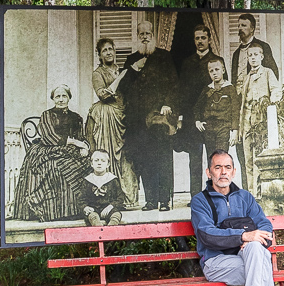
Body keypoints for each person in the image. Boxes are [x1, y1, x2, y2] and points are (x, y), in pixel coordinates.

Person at [190, 150, 284, 286]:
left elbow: (264, 225)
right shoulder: (200, 201)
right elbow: (206, 235)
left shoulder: (245, 197)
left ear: (233, 172)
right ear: (209, 172)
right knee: (263, 268)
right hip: (216, 263)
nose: (223, 172)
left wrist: (254, 240)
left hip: (246, 259)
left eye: (227, 167)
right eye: (218, 167)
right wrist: (242, 236)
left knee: (256, 250)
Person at [118, 20, 179, 211]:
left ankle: (164, 201)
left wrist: (168, 103)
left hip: (159, 119)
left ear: (153, 36)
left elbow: (174, 84)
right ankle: (151, 200)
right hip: (138, 121)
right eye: (141, 34)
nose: (145, 37)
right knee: (144, 161)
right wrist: (134, 69)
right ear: (138, 36)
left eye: (148, 33)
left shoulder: (164, 57)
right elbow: (123, 88)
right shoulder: (131, 60)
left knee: (162, 159)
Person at [11, 85, 90, 221]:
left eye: (64, 96)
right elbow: (48, 137)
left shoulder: (76, 117)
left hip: (71, 150)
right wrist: (76, 143)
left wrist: (85, 147)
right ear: (53, 99)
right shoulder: (46, 115)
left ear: (69, 98)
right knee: (56, 166)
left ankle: (78, 209)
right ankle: (55, 212)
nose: (61, 99)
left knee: (88, 163)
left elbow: (81, 137)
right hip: (48, 149)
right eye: (57, 96)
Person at [85, 37, 137, 205]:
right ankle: (110, 198)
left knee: (125, 157)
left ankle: (127, 198)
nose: (108, 52)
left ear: (115, 51)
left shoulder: (121, 70)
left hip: (122, 115)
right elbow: (103, 95)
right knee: (109, 154)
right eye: (104, 50)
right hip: (107, 115)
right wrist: (120, 80)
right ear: (100, 55)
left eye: (110, 49)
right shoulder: (98, 73)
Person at [178, 25, 226, 195]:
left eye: (203, 38)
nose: (200, 41)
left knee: (213, 158)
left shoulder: (216, 61)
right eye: (197, 38)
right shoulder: (187, 63)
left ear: (209, 40)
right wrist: (182, 117)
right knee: (195, 159)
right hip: (194, 119)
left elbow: (223, 90)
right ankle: (195, 196)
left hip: (213, 119)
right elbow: (182, 92)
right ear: (194, 40)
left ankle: (213, 193)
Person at [238, 43, 283, 192]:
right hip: (246, 123)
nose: (253, 58)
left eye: (256, 55)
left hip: (261, 122)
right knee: (248, 160)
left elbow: (276, 91)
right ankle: (251, 193)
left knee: (260, 158)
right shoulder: (247, 78)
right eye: (250, 55)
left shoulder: (268, 73)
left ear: (262, 57)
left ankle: (261, 193)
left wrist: (271, 105)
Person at [194, 55, 240, 159]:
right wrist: (197, 121)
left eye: (217, 69)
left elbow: (235, 110)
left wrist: (235, 130)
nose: (214, 73)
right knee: (211, 158)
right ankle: (211, 176)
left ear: (223, 70)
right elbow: (197, 107)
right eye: (211, 71)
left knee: (221, 156)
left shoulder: (230, 88)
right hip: (209, 128)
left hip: (223, 127)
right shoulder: (207, 89)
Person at [230, 12, 279, 91]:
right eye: (238, 26)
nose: (240, 28)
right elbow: (233, 79)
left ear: (252, 29)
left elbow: (274, 73)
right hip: (238, 95)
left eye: (243, 25)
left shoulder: (263, 47)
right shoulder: (236, 53)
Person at [81, 147, 127, 226]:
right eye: (96, 160)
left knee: (116, 214)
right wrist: (85, 207)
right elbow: (81, 199)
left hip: (109, 209)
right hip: (93, 209)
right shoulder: (87, 180)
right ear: (92, 164)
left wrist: (111, 206)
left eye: (103, 161)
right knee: (92, 216)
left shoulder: (112, 180)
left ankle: (111, 229)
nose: (99, 163)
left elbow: (120, 198)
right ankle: (99, 229)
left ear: (108, 164)